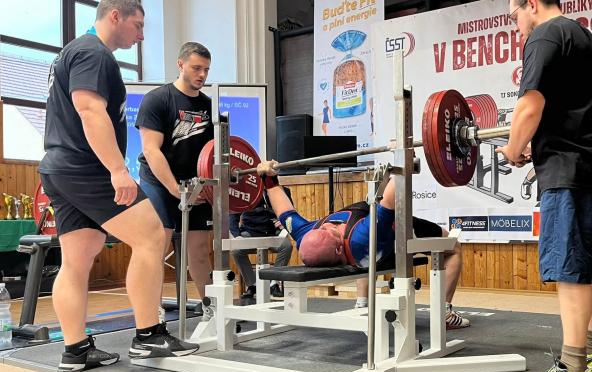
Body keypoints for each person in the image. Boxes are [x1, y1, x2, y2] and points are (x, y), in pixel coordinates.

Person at [39, 0, 198, 372]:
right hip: (86, 167)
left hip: (59, 169)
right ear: (115, 16)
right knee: (152, 236)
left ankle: (76, 350)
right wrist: (117, 169)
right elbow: (89, 111)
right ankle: (148, 335)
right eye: (137, 25)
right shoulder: (93, 53)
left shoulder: (71, 53)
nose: (141, 35)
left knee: (78, 258)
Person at [496, 0, 592, 372]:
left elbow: (530, 105)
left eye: (515, 16)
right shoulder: (585, 37)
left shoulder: (544, 35)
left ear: (532, 4)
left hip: (570, 171)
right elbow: (571, 109)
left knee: (571, 269)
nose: (516, 27)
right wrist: (533, 145)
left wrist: (513, 148)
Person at [256, 161, 470, 329]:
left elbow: (284, 211)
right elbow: (393, 196)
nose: (328, 225)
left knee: (367, 257)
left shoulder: (306, 237)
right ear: (339, 248)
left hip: (371, 250)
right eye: (331, 231)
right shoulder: (361, 236)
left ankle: (362, 305)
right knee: (452, 248)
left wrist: (268, 177)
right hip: (397, 231)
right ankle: (444, 313)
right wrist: (404, 158)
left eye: (323, 227)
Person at [135, 42, 214, 300]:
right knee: (157, 246)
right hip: (159, 181)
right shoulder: (157, 99)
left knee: (200, 250)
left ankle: (212, 309)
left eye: (206, 69)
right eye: (196, 68)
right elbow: (151, 150)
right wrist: (175, 189)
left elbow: (214, 152)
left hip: (195, 184)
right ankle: (151, 314)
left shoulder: (209, 106)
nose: (202, 74)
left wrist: (206, 189)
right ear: (180, 64)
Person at [230, 190, 294, 300]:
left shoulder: (283, 191)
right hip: (251, 232)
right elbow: (232, 216)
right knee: (237, 250)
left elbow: (291, 214)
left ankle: (274, 283)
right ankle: (252, 285)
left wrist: (284, 221)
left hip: (273, 233)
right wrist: (236, 236)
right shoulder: (245, 192)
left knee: (286, 246)